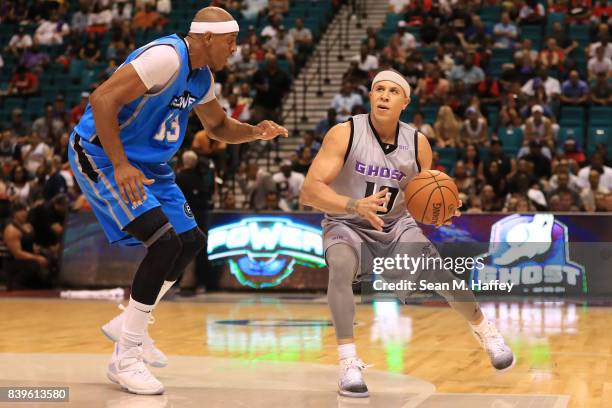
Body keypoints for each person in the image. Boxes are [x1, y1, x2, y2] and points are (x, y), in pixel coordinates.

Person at [68, 7, 287, 395]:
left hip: (149, 162)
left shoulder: (202, 77)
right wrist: (120, 165)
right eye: (230, 40)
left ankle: (128, 324)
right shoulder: (166, 57)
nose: (235, 49)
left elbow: (218, 126)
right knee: (164, 241)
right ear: (206, 38)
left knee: (190, 242)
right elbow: (102, 99)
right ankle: (126, 355)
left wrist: (255, 132)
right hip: (103, 154)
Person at [299, 70, 514, 398]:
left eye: (392, 91)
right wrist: (355, 206)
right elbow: (310, 191)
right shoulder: (345, 133)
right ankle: (348, 363)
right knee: (340, 267)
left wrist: (441, 211)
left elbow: (422, 195)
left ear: (406, 102)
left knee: (443, 280)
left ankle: (485, 331)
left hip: (397, 225)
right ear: (371, 96)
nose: (384, 95)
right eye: (378, 90)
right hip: (347, 222)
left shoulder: (417, 143)